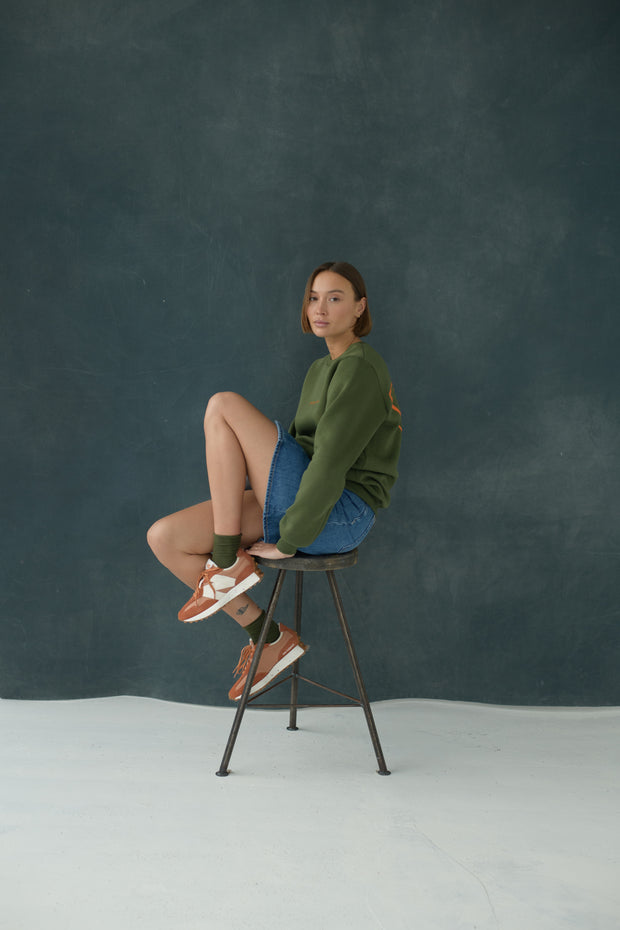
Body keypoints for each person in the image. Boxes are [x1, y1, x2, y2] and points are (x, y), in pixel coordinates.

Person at [147, 261, 402, 701]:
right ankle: (266, 637)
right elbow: (303, 456)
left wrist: (289, 539)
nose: (320, 307)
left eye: (335, 298)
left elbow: (329, 465)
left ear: (360, 308)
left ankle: (226, 562)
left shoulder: (361, 368)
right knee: (166, 537)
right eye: (313, 297)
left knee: (223, 405)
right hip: (307, 496)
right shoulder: (322, 368)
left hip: (340, 513)